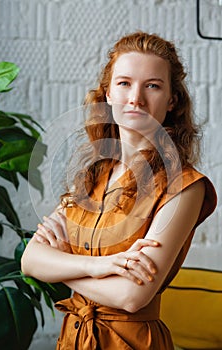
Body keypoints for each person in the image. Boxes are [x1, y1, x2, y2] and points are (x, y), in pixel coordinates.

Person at [21, 31, 217, 350]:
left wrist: (60, 266)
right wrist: (99, 267)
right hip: (73, 338)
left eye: (152, 85)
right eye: (124, 83)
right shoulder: (90, 176)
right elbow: (30, 259)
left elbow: (132, 295)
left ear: (172, 100)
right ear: (108, 94)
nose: (135, 99)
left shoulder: (185, 186)